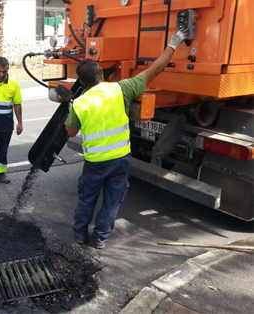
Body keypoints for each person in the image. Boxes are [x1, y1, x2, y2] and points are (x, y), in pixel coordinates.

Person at [65, 28, 189, 249]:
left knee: (87, 199)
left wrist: (70, 107)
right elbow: (155, 69)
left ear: (82, 83)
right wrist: (173, 43)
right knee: (112, 201)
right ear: (101, 74)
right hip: (120, 160)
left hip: (95, 163)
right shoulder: (121, 89)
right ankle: (100, 239)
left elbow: (70, 133)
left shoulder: (80, 103)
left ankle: (80, 235)